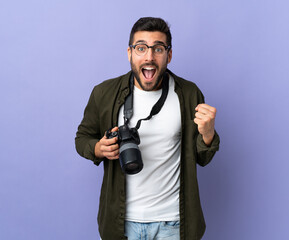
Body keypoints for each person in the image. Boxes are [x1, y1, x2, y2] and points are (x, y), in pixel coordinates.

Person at [75, 17, 220, 240]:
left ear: (168, 55)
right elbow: (82, 138)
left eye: (158, 49)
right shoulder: (104, 93)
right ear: (129, 53)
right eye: (141, 48)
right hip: (122, 223)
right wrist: (98, 149)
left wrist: (208, 134)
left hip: (173, 223)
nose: (149, 56)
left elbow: (203, 158)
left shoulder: (189, 94)